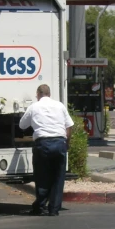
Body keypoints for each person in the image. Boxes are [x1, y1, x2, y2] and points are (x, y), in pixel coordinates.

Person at [19, 84, 74, 216]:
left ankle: (40, 206)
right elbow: (69, 126)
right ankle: (54, 209)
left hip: (42, 144)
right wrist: (67, 143)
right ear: (49, 94)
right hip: (59, 143)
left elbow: (22, 125)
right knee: (58, 177)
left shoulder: (34, 107)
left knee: (42, 176)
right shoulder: (60, 105)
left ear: (38, 94)